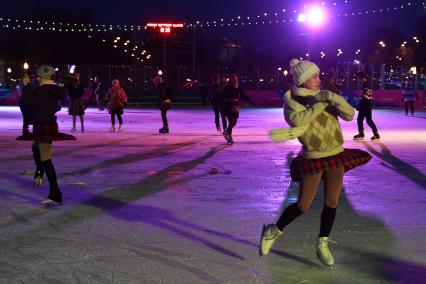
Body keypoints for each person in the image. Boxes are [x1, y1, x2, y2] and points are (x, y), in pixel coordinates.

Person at [260, 59, 372, 266]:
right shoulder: (293, 103)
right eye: (314, 77)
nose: (319, 80)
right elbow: (299, 121)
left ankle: (323, 243)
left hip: (336, 153)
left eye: (318, 76)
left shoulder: (327, 95)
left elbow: (349, 115)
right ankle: (273, 231)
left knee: (332, 201)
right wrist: (322, 102)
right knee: (303, 205)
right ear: (303, 81)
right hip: (313, 157)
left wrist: (335, 99)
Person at [16, 65, 76, 205]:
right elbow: (61, 91)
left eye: (37, 77)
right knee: (36, 147)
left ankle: (55, 193)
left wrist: (26, 86)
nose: (36, 78)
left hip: (43, 125)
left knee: (46, 159)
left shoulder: (41, 90)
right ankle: (39, 172)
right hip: (48, 124)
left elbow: (26, 102)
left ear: (41, 77)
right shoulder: (56, 88)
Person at [221, 74, 255, 144]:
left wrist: (250, 101)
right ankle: (230, 137)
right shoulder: (227, 87)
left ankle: (226, 132)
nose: (235, 80)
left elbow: (243, 95)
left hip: (235, 105)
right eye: (233, 79)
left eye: (236, 79)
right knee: (231, 121)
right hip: (228, 105)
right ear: (231, 80)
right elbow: (221, 96)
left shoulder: (238, 87)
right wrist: (220, 103)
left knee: (234, 122)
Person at [353, 72, 380, 142]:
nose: (358, 79)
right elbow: (365, 96)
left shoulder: (365, 84)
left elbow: (365, 97)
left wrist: (359, 105)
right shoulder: (366, 83)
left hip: (366, 104)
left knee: (366, 120)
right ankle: (362, 133)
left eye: (358, 78)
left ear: (361, 77)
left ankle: (375, 134)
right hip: (366, 104)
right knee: (361, 119)